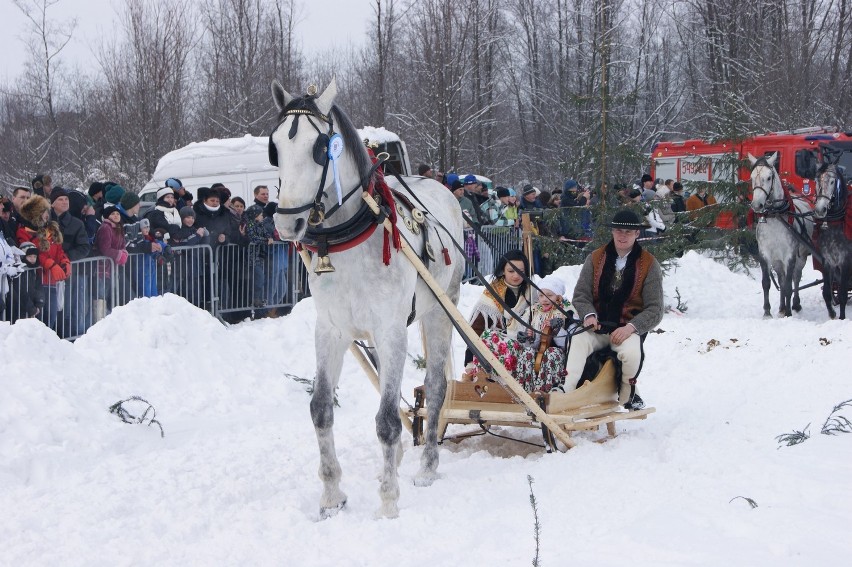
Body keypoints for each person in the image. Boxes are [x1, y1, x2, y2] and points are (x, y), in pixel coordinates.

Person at [550, 209, 663, 412]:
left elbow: (655, 308)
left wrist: (631, 328)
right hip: (597, 328)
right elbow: (581, 295)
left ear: (637, 234)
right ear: (612, 232)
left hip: (626, 329)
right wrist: (589, 315)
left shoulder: (649, 264)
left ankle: (628, 395)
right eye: (618, 231)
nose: (622, 235)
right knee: (576, 339)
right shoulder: (595, 258)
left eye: (628, 232)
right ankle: (565, 391)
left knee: (631, 354)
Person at [468, 274, 577, 393]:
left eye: (549, 295)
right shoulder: (534, 311)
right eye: (541, 296)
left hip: (557, 353)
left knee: (552, 353)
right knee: (527, 353)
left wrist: (558, 330)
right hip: (538, 352)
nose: (544, 299)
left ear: (558, 297)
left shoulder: (566, 311)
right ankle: (525, 391)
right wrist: (529, 338)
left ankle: (546, 392)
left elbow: (570, 344)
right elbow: (534, 345)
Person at [463, 250, 532, 366]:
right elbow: (477, 328)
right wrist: (469, 360)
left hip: (525, 347)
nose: (516, 276)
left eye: (521, 272)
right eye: (511, 271)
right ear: (503, 271)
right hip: (498, 351)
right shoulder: (492, 293)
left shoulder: (532, 293)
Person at [15, 195, 71, 329]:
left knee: (50, 321)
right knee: (38, 325)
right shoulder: (24, 232)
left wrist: (65, 261)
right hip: (36, 283)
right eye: (43, 212)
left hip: (51, 283)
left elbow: (59, 250)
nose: (47, 215)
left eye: (47, 211)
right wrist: (50, 264)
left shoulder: (51, 231)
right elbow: (31, 253)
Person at [50, 188, 92, 337]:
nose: (64, 202)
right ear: (53, 203)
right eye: (60, 199)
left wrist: (65, 258)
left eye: (66, 199)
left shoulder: (76, 223)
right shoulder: (44, 221)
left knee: (71, 308)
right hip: (48, 272)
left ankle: (71, 336)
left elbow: (85, 247)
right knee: (51, 307)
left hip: (70, 272)